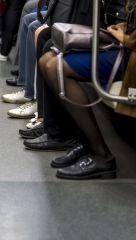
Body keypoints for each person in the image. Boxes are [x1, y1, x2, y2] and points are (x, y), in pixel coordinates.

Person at [38, 23, 135, 179]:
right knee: (46, 60)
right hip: (125, 48)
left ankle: (102, 155)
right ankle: (85, 143)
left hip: (131, 56)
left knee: (54, 67)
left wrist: (124, 37)